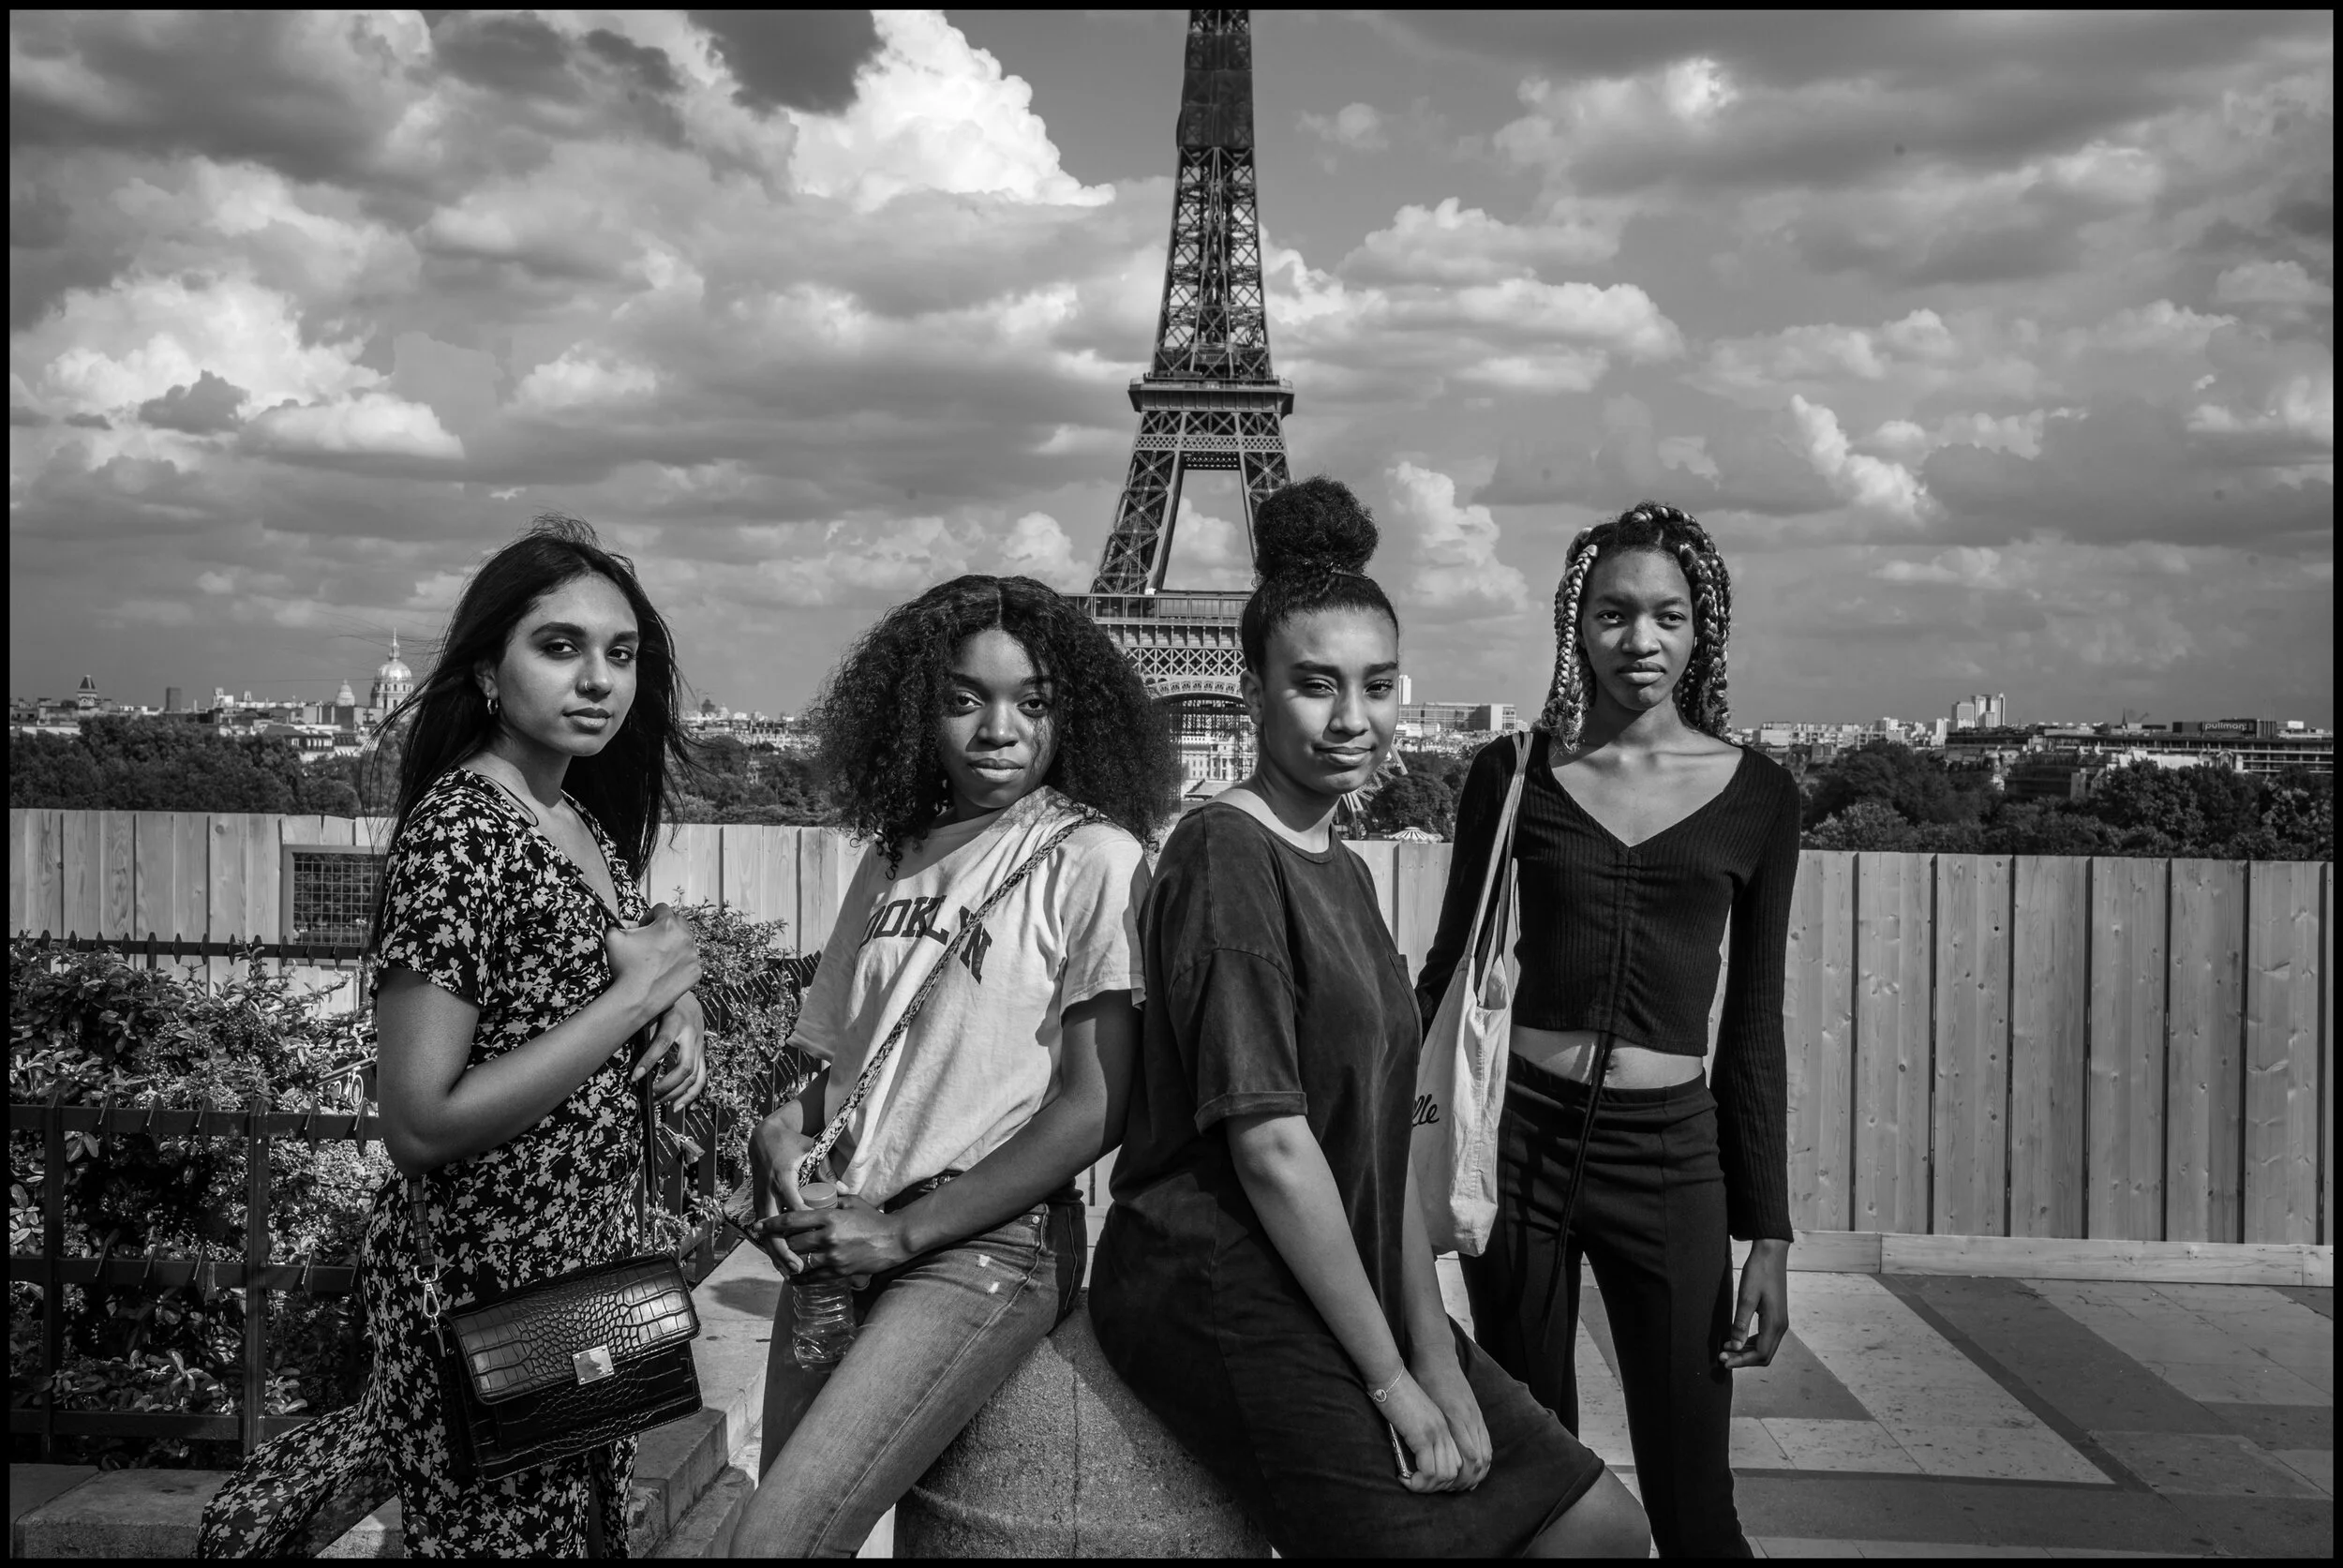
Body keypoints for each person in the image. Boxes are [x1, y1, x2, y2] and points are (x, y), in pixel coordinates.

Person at [1089, 478, 1649, 1560]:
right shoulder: (1222, 854)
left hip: (1340, 1266)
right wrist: (1392, 1377)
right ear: (1248, 690)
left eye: (1377, 684)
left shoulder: (1339, 866)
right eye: (1313, 685)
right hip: (1226, 1282)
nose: (1353, 718)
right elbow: (1272, 1145)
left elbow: (1383, 1141)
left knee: (1602, 1530)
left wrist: (1436, 1352)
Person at [198, 515, 709, 1558]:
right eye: (558, 646)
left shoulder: (568, 817)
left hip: (579, 1282)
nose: (599, 679)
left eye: (620, 653)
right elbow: (419, 1121)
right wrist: (634, 995)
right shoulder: (459, 832)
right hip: (486, 1290)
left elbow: (614, 947)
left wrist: (676, 997)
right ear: (487, 668)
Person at [729, 575, 1180, 1559]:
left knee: (773, 1539)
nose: (999, 729)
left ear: (1075, 713)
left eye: (1033, 701)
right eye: (964, 699)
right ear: (917, 714)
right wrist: (782, 1129)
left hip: (981, 1244)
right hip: (840, 1234)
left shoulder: (1093, 858)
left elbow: (1095, 1104)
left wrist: (900, 1235)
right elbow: (836, 1056)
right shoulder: (894, 856)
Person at [1416, 501, 1799, 1559]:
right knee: (1539, 1485)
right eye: (1614, 614)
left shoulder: (1761, 797)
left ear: (1701, 630)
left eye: (1667, 617)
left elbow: (1752, 1024)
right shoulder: (1511, 776)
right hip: (1522, 1148)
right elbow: (1448, 966)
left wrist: (1767, 1231)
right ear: (1574, 627)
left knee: (1693, 1498)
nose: (1640, 641)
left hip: (1672, 1158)